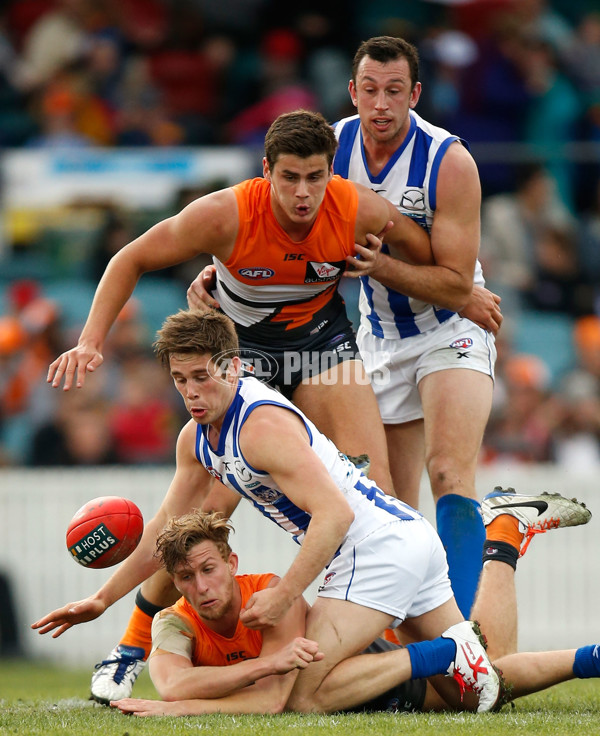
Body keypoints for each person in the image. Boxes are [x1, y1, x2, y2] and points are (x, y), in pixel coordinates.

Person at [43, 107, 500, 701]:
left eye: (316, 177)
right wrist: (90, 341)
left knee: (381, 489)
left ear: (331, 174)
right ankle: (131, 645)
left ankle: (389, 640)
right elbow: (129, 257)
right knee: (203, 513)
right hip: (243, 357)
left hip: (319, 349)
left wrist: (462, 295)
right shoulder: (224, 214)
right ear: (266, 172)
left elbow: (436, 262)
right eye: (290, 178)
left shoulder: (357, 207)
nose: (304, 192)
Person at [33, 310, 592, 714]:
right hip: (398, 537)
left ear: (231, 367)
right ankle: (583, 649)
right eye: (180, 380)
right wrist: (101, 600)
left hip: (373, 547)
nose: (191, 391)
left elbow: (334, 517)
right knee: (474, 693)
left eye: (202, 375)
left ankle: (441, 651)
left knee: (303, 695)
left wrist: (283, 592)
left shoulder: (261, 427)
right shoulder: (194, 438)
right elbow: (160, 532)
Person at [188, 38, 503, 620]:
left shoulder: (448, 161)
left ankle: (460, 635)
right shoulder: (328, 148)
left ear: (415, 95)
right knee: (389, 506)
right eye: (370, 91)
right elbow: (268, 217)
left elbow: (459, 285)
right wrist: (227, 272)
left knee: (448, 470)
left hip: (449, 325)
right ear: (352, 92)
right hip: (375, 336)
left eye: (394, 92)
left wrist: (385, 268)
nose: (381, 105)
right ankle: (407, 638)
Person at [110, 495, 596, 718]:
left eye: (208, 569)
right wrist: (268, 665)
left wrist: (183, 711)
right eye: (185, 578)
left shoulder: (269, 593)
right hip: (362, 688)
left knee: (486, 684)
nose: (200, 586)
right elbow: (173, 684)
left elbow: (273, 701)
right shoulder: (175, 621)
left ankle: (502, 535)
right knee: (489, 674)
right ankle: (507, 536)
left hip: (374, 674)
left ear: (231, 562)